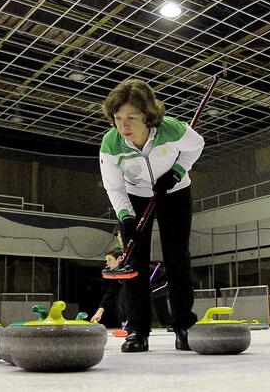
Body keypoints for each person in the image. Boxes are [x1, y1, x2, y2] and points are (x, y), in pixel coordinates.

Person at [99, 79, 204, 353]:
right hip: (134, 196)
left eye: (131, 118)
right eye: (118, 118)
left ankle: (183, 326)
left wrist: (177, 172)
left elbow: (197, 145)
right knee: (134, 263)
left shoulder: (172, 129)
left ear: (147, 116)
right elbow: (114, 186)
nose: (123, 126)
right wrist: (127, 217)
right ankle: (137, 330)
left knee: (177, 256)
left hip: (174, 191)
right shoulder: (111, 144)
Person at [90, 248, 127, 325]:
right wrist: (99, 313)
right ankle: (125, 322)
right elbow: (110, 294)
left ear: (119, 259)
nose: (107, 263)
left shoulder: (132, 270)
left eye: (110, 260)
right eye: (106, 260)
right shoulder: (119, 275)